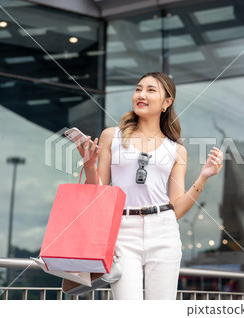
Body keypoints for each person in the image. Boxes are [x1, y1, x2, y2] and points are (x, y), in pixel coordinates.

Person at [76, 72, 223, 300]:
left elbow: (177, 209)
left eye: (150, 90)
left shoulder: (176, 150)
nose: (141, 94)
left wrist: (203, 176)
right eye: (138, 89)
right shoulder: (111, 137)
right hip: (123, 232)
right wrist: (89, 165)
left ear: (167, 102)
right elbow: (98, 195)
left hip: (163, 231)